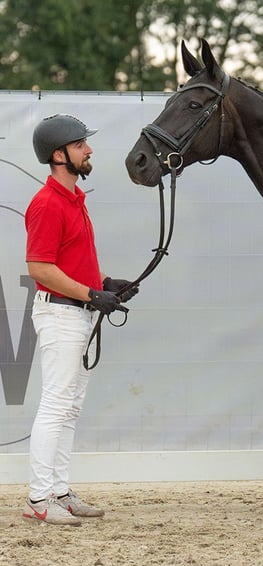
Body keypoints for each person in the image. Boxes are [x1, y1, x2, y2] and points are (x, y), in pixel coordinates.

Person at [22, 114, 138, 526]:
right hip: (61, 314)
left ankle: (59, 491)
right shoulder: (48, 203)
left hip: (79, 314)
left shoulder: (74, 200)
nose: (88, 150)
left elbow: (71, 263)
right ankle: (39, 498)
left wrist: (105, 283)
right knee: (56, 406)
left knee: (69, 408)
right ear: (59, 155)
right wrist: (92, 294)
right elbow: (40, 267)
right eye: (80, 144)